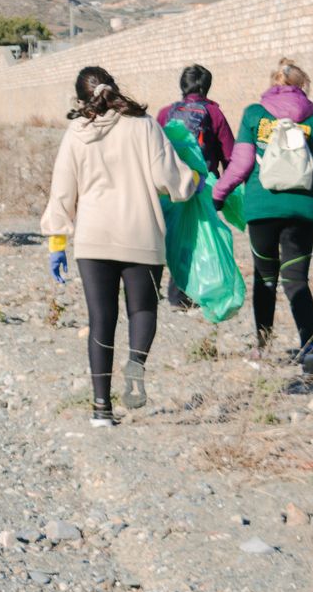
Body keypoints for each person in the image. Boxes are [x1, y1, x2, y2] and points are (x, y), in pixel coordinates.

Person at [41, 67, 201, 428]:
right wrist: (193, 184)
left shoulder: (77, 133)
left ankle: (101, 409)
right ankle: (137, 364)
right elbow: (169, 179)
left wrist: (56, 241)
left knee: (101, 319)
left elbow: (62, 191)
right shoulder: (143, 125)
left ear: (81, 99)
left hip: (93, 239)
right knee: (143, 308)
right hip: (141, 234)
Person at [211, 59, 313, 376]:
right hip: (303, 209)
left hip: (262, 208)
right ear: (303, 86)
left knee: (265, 278)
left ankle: (262, 346)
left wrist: (218, 196)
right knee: (296, 280)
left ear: (272, 85)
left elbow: (241, 164)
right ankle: (309, 347)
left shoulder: (254, 114)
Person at [155, 64, 235, 309]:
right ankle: (186, 294)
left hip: (169, 185)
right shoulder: (214, 113)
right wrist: (227, 189)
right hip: (202, 186)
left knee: (165, 234)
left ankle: (152, 288)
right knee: (197, 239)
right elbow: (229, 154)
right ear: (206, 86)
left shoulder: (165, 112)